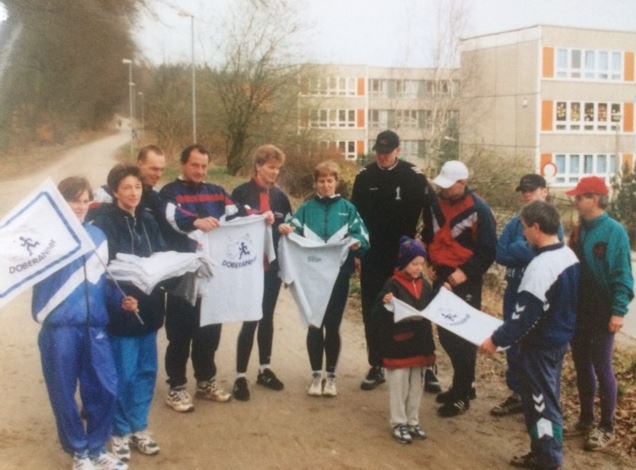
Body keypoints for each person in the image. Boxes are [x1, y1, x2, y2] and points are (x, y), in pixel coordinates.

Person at [33, 177, 136, 470]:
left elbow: (102, 283)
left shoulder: (97, 236)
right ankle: (79, 452)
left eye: (84, 200)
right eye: (73, 200)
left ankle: (97, 447)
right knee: (63, 394)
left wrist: (120, 301)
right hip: (59, 329)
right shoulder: (45, 239)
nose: (80, 206)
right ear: (60, 203)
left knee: (105, 388)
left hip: (95, 328)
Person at [481, 201, 580, 470]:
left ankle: (548, 458)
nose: (523, 234)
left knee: (540, 404)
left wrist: (496, 340)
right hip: (559, 340)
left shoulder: (540, 267)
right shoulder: (569, 256)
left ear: (536, 227)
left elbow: (523, 316)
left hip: (539, 346)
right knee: (548, 398)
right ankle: (545, 451)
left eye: (525, 228)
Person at [351, 130, 438, 392]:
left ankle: (426, 366)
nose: (382, 157)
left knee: (415, 308)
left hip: (405, 255)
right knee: (374, 309)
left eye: (387, 153)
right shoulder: (364, 177)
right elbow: (355, 218)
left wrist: (427, 246)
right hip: (373, 253)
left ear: (398, 151)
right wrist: (357, 253)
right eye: (379, 152)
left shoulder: (414, 176)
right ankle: (377, 363)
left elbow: (432, 212)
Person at [92, 165, 166, 464]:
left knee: (146, 372)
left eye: (137, 186)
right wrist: (118, 300)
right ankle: (119, 431)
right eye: (126, 187)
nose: (134, 193)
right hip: (122, 311)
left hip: (150, 308)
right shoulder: (104, 224)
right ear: (114, 191)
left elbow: (160, 256)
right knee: (124, 373)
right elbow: (102, 271)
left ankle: (139, 426)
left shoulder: (148, 219)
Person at [159, 144, 241, 412]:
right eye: (194, 165)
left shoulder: (216, 191)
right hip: (182, 277)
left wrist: (262, 217)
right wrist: (196, 221)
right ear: (183, 164)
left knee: (209, 334)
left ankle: (205, 382)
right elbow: (170, 214)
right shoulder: (170, 192)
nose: (200, 171)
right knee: (180, 335)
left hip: (212, 277)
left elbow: (238, 213)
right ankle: (177, 387)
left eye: (204, 166)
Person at [280, 160, 369, 396]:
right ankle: (315, 375)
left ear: (336, 182)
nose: (326, 185)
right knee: (314, 324)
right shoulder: (307, 209)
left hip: (339, 276)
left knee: (332, 325)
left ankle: (331, 377)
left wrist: (358, 244)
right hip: (312, 278)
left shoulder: (348, 209)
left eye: (330, 180)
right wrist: (285, 229)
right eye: (321, 181)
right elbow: (291, 228)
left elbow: (363, 235)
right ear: (315, 183)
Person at [423, 160, 497, 417]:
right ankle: (460, 384)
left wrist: (462, 274)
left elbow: (488, 251)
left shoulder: (480, 210)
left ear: (463, 184)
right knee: (445, 333)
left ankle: (464, 392)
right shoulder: (434, 204)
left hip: (466, 277)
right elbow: (428, 236)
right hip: (440, 273)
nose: (444, 190)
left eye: (449, 186)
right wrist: (429, 262)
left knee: (461, 336)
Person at [566, 176, 634, 451]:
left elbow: (623, 276)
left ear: (593, 199)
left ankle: (607, 426)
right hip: (578, 308)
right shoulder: (578, 229)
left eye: (579, 197)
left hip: (602, 308)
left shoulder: (614, 232)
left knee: (602, 366)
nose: (575, 201)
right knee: (581, 363)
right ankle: (586, 419)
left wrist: (618, 311)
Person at [492, 174, 563, 417]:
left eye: (531, 190)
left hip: (538, 290)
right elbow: (501, 253)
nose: (527, 195)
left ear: (544, 191)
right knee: (513, 341)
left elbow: (546, 253)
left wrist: (518, 248)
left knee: (535, 344)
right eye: (524, 191)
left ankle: (540, 398)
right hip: (514, 286)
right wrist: (524, 250)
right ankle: (517, 393)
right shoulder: (516, 222)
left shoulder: (552, 221)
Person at [230, 144, 293, 401]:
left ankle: (264, 369)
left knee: (267, 317)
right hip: (249, 267)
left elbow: (290, 223)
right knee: (251, 318)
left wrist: (287, 228)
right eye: (270, 167)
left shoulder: (280, 197)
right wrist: (256, 217)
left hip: (272, 268)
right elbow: (231, 225)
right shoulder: (241, 193)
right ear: (258, 166)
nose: (274, 172)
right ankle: (240, 376)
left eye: (278, 168)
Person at [372, 236, 435, 445]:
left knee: (417, 385)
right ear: (404, 262)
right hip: (398, 345)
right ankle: (399, 422)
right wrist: (386, 303)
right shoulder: (393, 284)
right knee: (399, 384)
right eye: (414, 263)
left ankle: (412, 420)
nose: (418, 268)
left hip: (420, 344)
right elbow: (376, 313)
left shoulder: (425, 285)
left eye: (421, 263)